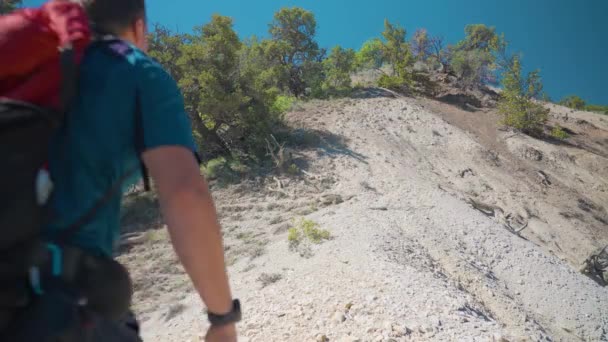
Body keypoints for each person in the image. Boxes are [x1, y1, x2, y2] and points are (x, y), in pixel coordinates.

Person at [39, 0, 239, 340]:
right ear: (139, 27)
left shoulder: (33, 71)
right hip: (59, 303)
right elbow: (185, 194)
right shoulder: (134, 68)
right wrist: (223, 319)